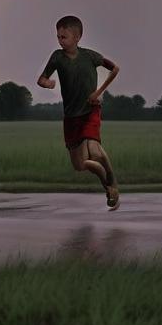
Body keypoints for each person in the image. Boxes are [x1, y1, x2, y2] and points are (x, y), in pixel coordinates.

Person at [37, 14, 121, 209]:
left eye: (64, 37)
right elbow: (41, 79)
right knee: (80, 165)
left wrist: (98, 92)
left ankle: (113, 184)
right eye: (58, 37)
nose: (60, 40)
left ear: (77, 37)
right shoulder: (57, 57)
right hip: (71, 117)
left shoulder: (90, 56)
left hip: (90, 111)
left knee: (94, 150)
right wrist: (47, 84)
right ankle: (104, 179)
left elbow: (115, 68)